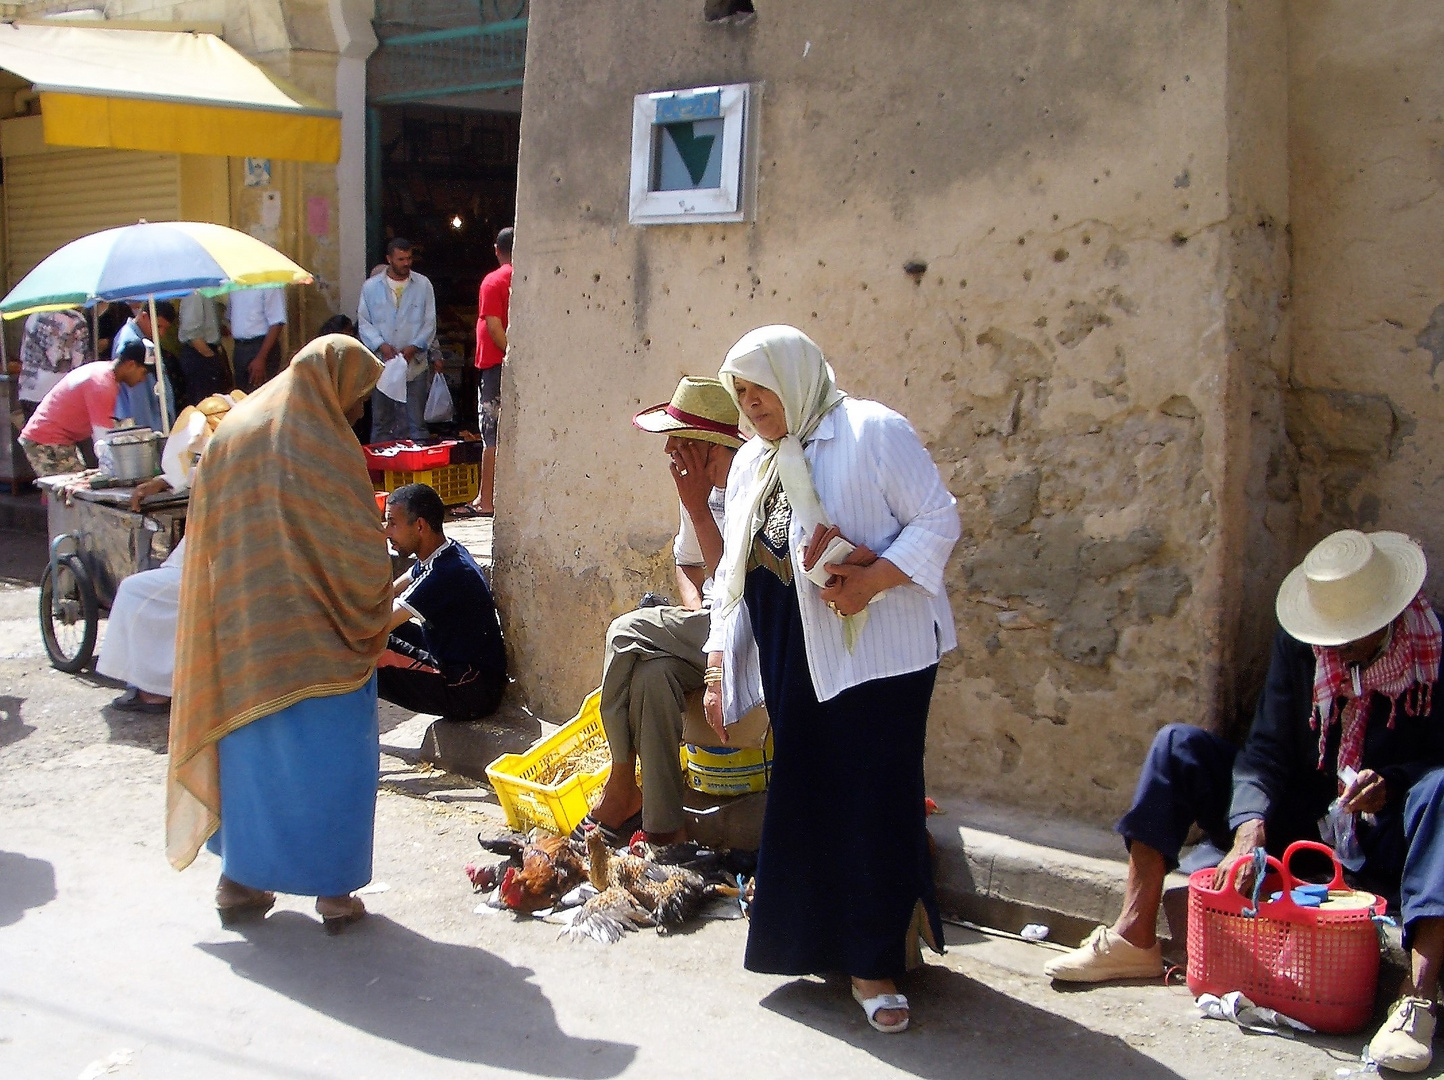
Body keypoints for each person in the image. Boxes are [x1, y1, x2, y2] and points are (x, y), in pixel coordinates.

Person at [1042, 529, 1444, 1074]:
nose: (1340, 648)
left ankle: (1417, 999)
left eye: (1354, 636)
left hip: (1389, 831)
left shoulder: (1433, 650)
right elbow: (1268, 748)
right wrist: (1249, 825)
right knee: (1177, 746)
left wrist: (1392, 781)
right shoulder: (1305, 643)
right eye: (1334, 635)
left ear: (1388, 615)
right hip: (1306, 814)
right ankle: (1134, 936)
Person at [702, 325, 960, 1035]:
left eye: (761, 387)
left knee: (872, 801)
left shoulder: (872, 431)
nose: (751, 402)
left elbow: (939, 519)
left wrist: (872, 580)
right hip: (796, 654)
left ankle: (874, 963)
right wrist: (718, 666)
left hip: (881, 656)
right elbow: (732, 578)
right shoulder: (753, 462)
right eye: (741, 391)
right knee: (808, 796)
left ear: (796, 378)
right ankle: (813, 947)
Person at [167, 334, 394, 934]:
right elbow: (358, 547)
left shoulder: (235, 429)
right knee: (335, 764)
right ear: (331, 383)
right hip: (321, 642)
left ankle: (239, 881)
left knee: (252, 764)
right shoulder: (324, 441)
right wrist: (380, 593)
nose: (356, 411)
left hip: (246, 634)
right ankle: (334, 894)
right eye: (356, 396)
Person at [578, 377, 743, 845]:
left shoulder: (749, 489)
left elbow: (735, 588)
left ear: (708, 447)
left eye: (678, 440)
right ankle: (664, 826)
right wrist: (696, 614)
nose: (669, 449)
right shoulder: (698, 490)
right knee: (654, 675)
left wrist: (697, 510)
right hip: (711, 626)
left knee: (625, 631)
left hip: (750, 624)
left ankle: (621, 778)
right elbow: (689, 564)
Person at [97, 391, 245, 713]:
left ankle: (155, 690)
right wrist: (161, 482)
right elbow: (188, 475)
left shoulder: (230, 470)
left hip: (215, 573)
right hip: (213, 566)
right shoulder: (238, 463)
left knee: (133, 592)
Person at [375, 483, 507, 720]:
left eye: (393, 523)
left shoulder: (444, 575)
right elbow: (392, 592)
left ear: (420, 526)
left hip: (468, 689)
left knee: (362, 655)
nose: (386, 532)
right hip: (468, 672)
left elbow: (377, 626)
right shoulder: (445, 553)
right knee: (380, 629)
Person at [18, 347, 150, 476]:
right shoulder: (102, 384)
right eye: (143, 373)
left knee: (67, 486)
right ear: (131, 365)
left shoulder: (101, 371)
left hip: (56, 438)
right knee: (72, 490)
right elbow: (103, 442)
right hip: (47, 440)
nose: (143, 379)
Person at [357, 238, 437, 443]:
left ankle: (416, 471)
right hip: (382, 366)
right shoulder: (371, 287)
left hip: (415, 364)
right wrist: (381, 345)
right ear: (389, 259)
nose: (406, 263)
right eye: (401, 259)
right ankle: (381, 471)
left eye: (409, 258)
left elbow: (430, 322)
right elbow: (364, 322)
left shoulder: (423, 284)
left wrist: (414, 347)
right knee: (382, 422)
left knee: (416, 423)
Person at [470, 226, 513, 515]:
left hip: (497, 365)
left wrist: (510, 357)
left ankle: (486, 500)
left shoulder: (493, 281)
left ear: (496, 250)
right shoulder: (525, 277)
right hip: (511, 366)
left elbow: (494, 325)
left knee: (491, 434)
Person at [112, 301, 179, 432]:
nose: (161, 333)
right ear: (143, 317)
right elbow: (138, 399)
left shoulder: (142, 339)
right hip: (148, 428)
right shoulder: (131, 341)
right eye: (158, 326)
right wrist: (150, 433)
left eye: (165, 329)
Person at [17, 307, 91, 424]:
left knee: (35, 438)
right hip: (61, 392)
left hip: (30, 390)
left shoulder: (33, 317)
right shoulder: (76, 320)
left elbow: (24, 355)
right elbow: (77, 361)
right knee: (63, 439)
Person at [227, 285, 287, 393]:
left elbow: (277, 323)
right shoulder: (235, 284)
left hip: (261, 347)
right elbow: (231, 316)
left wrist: (261, 358)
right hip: (240, 348)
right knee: (242, 396)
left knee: (261, 397)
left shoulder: (269, 283)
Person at [177, 291, 232, 406]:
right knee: (205, 406)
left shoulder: (205, 292)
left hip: (206, 351)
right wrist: (211, 357)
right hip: (199, 355)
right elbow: (193, 333)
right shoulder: (195, 293)